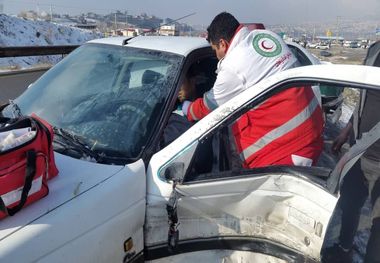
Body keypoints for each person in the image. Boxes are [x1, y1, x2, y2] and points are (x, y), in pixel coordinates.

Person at [181, 12, 324, 168]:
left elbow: (209, 106)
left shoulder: (233, 67)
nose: (216, 55)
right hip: (311, 129)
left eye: (215, 49)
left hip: (286, 151)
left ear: (222, 43)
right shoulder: (266, 36)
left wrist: (186, 108)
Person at [321, 49, 380, 262]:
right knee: (349, 204)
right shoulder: (374, 51)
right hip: (359, 151)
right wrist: (346, 132)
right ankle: (344, 250)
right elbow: (363, 99)